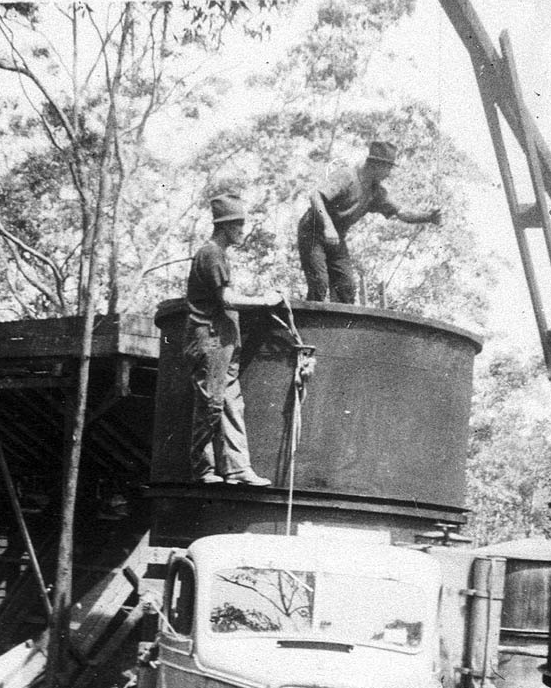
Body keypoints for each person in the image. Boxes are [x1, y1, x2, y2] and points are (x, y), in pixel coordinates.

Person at [185, 192, 281, 486]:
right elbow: (226, 299)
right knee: (212, 404)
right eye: (239, 225)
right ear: (225, 226)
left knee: (230, 403)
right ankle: (202, 468)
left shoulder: (219, 255)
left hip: (224, 340)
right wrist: (264, 300)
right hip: (210, 339)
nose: (243, 230)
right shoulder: (211, 254)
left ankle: (237, 468)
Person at [297, 139, 442, 304]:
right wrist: (328, 226)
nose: (389, 174)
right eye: (388, 168)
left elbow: (401, 212)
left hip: (337, 237)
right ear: (376, 165)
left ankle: (340, 320)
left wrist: (428, 217)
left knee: (346, 287)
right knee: (319, 283)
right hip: (313, 231)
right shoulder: (347, 176)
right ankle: (309, 319)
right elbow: (316, 196)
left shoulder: (376, 192)